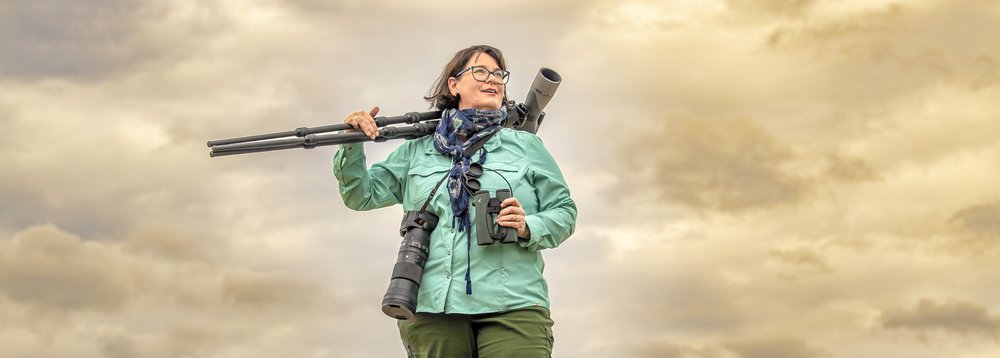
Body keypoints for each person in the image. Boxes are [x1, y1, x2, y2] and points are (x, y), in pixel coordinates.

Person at [333, 44, 577, 357]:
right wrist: (351, 142)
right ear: (454, 84)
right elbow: (360, 195)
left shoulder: (526, 146)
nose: (493, 79)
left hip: (513, 305)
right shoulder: (417, 150)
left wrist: (529, 225)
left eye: (499, 74)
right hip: (433, 308)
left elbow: (565, 212)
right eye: (481, 71)